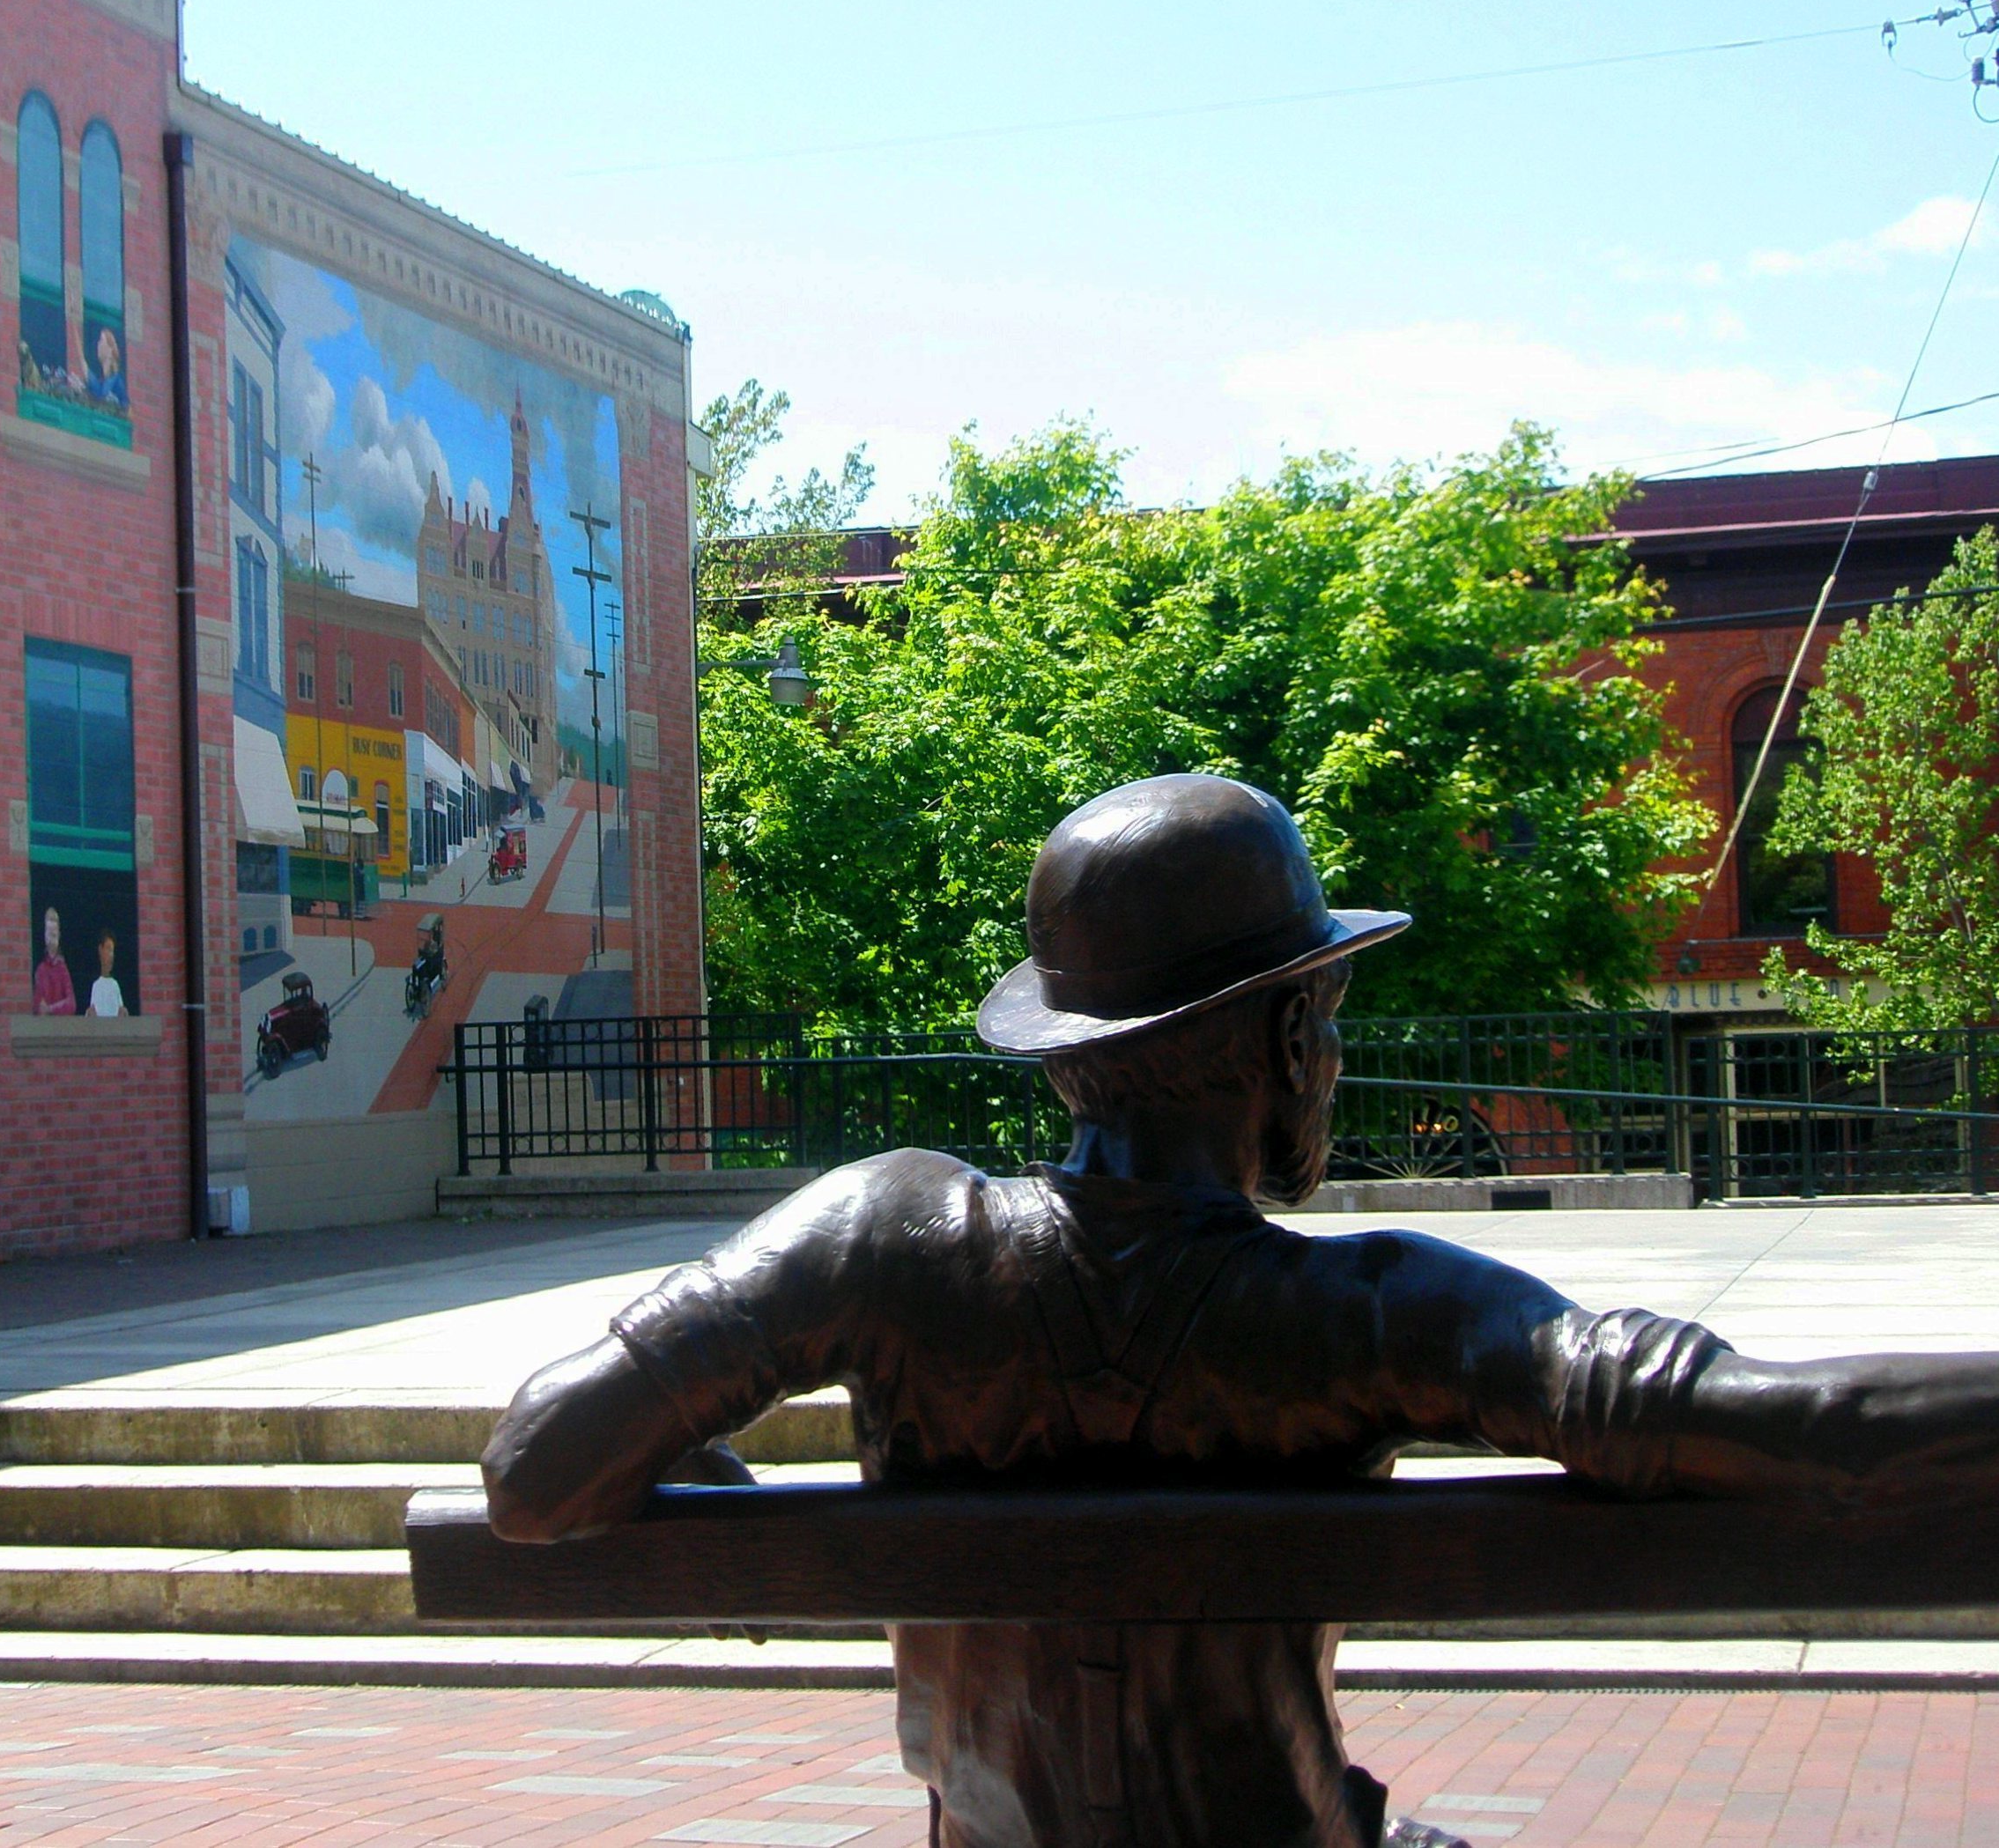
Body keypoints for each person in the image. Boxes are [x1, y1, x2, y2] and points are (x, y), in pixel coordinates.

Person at [484, 774, 1999, 1848]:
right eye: (1323, 1022)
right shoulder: (1367, 1310)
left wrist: (741, 1508)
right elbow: (1784, 1425)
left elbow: (537, 1468)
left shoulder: (882, 1233)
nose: (1327, 1059)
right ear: (1284, 1038)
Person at [32, 906, 76, 1016]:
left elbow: (71, 1004)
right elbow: (37, 1005)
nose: (51, 938)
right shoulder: (41, 970)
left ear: (59, 936)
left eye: (54, 934)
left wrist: (50, 1009)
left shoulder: (62, 969)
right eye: (49, 933)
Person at [86, 928, 127, 1018]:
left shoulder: (115, 985)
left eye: (112, 951)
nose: (111, 955)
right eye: (108, 949)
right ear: (100, 949)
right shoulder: (94, 985)